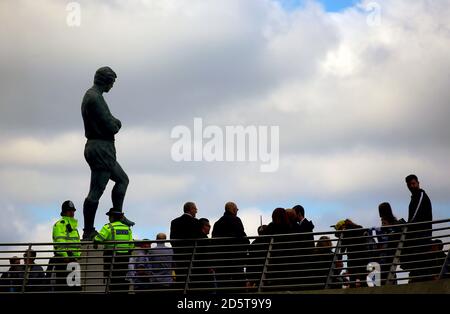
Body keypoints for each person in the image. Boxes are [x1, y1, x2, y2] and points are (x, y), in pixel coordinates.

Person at [81, 66, 134, 240]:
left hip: (101, 147)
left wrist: (113, 121)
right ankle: (88, 230)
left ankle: (118, 213)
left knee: (122, 179)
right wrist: (117, 122)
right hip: (100, 148)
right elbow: (111, 125)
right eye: (112, 82)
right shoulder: (95, 98)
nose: (112, 86)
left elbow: (109, 121)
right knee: (96, 190)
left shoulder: (94, 96)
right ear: (106, 81)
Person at [94, 208, 134, 292]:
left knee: (111, 279)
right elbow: (131, 245)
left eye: (109, 216)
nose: (108, 218)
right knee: (121, 278)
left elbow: (99, 238)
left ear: (112, 217)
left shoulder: (108, 227)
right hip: (124, 258)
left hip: (111, 257)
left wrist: (95, 242)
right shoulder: (127, 228)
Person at [212, 202, 250, 289]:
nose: (237, 211)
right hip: (235, 258)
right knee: (238, 283)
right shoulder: (236, 220)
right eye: (237, 209)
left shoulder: (217, 223)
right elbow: (242, 236)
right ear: (233, 209)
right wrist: (247, 246)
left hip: (221, 260)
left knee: (223, 285)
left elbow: (214, 241)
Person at [404, 174, 433, 282]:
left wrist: (407, 226)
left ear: (418, 183)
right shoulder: (414, 198)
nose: (411, 186)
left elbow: (414, 216)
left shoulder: (420, 195)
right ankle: (416, 276)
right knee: (417, 257)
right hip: (417, 235)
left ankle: (419, 277)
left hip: (422, 234)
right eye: (409, 185)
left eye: (413, 183)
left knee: (420, 256)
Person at [47, 200, 81, 291]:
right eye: (70, 210)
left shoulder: (74, 227)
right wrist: (65, 256)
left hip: (73, 260)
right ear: (65, 212)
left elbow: (77, 243)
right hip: (63, 259)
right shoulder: (60, 224)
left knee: (75, 287)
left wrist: (77, 256)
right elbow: (59, 241)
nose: (72, 212)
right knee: (63, 287)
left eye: (73, 210)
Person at [170, 202, 202, 284]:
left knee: (180, 280)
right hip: (193, 256)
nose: (196, 211)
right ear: (190, 209)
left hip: (179, 257)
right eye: (195, 209)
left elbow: (172, 239)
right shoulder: (196, 222)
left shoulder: (174, 222)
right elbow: (199, 238)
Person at [375, 202, 404, 284]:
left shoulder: (392, 224)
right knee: (390, 275)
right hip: (388, 254)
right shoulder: (394, 223)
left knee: (386, 275)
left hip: (387, 254)